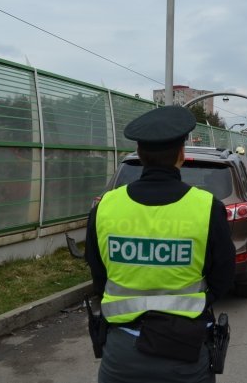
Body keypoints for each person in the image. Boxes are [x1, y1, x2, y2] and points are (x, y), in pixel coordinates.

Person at [84, 105, 235, 383]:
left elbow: (97, 273)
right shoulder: (206, 207)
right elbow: (224, 275)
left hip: (120, 354)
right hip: (185, 352)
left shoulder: (106, 206)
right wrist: (198, 301)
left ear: (140, 155)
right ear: (182, 155)